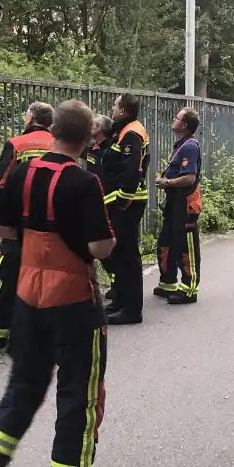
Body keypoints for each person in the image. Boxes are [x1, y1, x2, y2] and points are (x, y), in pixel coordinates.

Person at [0, 100, 115, 467]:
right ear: (87, 139)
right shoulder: (85, 183)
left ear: (52, 133)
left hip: (27, 298)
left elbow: (4, 230)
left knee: (24, 383)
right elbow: (101, 248)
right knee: (77, 396)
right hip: (74, 302)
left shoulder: (22, 175)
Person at [0, 101, 55, 349]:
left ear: (30, 117)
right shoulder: (59, 145)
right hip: (53, 225)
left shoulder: (18, 144)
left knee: (8, 275)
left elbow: (0, 181)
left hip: (20, 224)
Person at [100, 94, 150, 325]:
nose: (112, 108)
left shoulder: (131, 133)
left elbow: (130, 172)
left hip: (128, 203)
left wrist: (121, 201)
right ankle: (120, 301)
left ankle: (131, 309)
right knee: (119, 254)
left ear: (123, 110)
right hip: (120, 202)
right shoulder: (123, 131)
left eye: (115, 105)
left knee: (128, 256)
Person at [153, 107, 203, 304]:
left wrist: (168, 183)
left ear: (184, 125)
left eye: (177, 118)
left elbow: (189, 178)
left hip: (186, 204)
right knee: (166, 242)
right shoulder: (181, 145)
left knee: (185, 247)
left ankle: (189, 289)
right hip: (174, 203)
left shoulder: (190, 146)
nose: (174, 119)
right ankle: (168, 283)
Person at [86, 114, 115, 298]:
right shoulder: (91, 148)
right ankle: (114, 281)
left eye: (94, 124)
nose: (90, 127)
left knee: (107, 244)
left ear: (101, 129)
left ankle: (116, 282)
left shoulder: (110, 150)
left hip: (108, 201)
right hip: (94, 201)